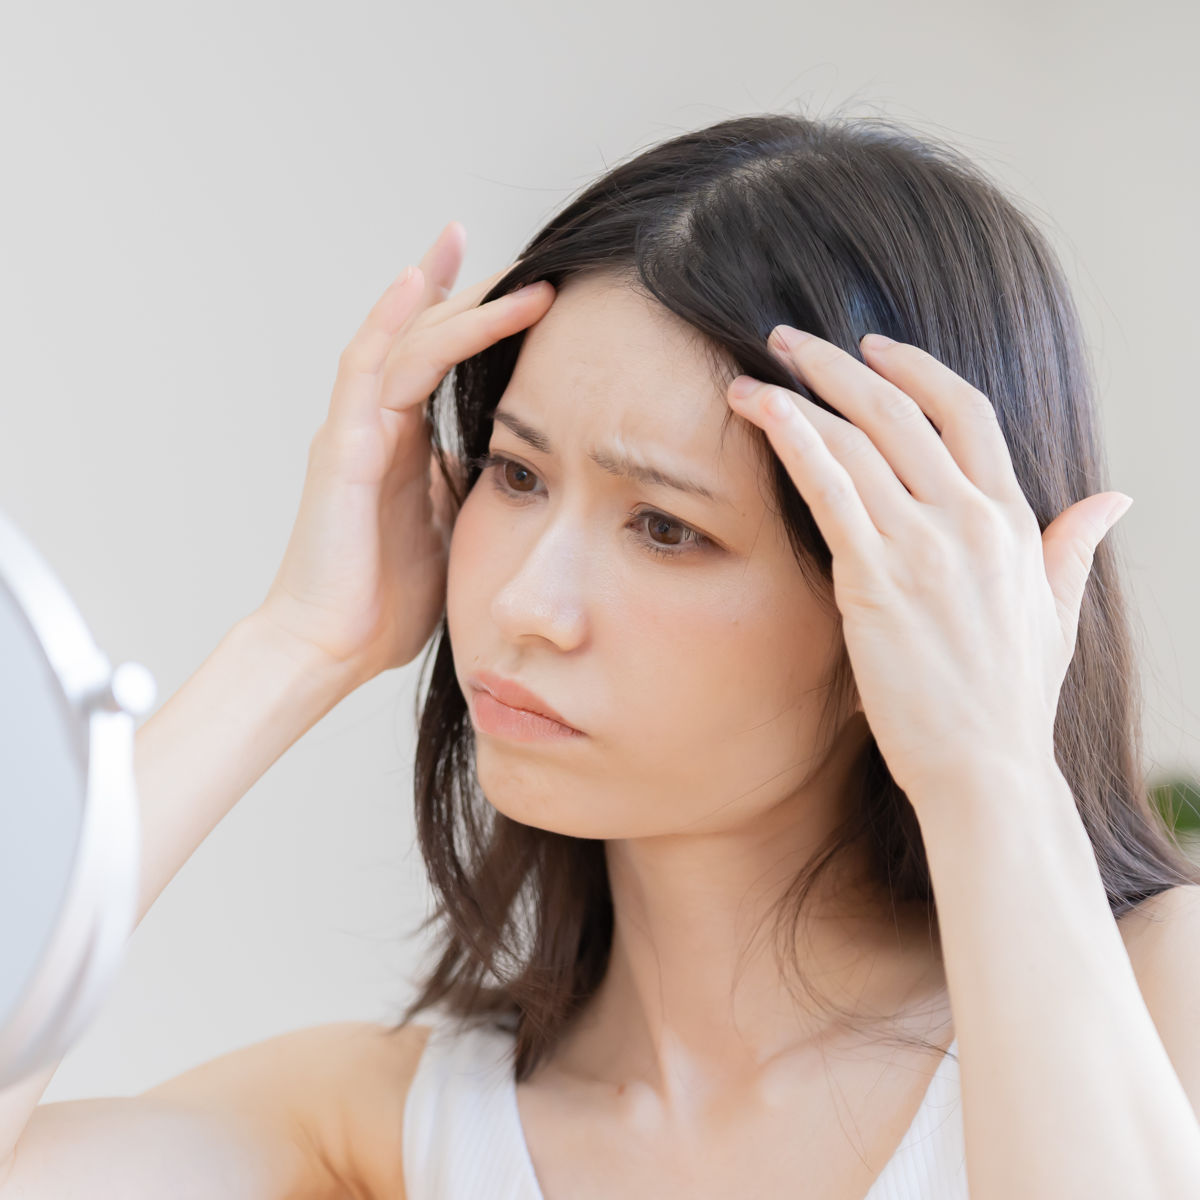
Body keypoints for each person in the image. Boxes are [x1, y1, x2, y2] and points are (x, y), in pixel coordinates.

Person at [3, 111, 1194, 1200]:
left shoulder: (1162, 995)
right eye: (516, 473)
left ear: (910, 590)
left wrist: (991, 767)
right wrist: (300, 641)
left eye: (666, 527)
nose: (525, 603)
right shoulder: (376, 1129)